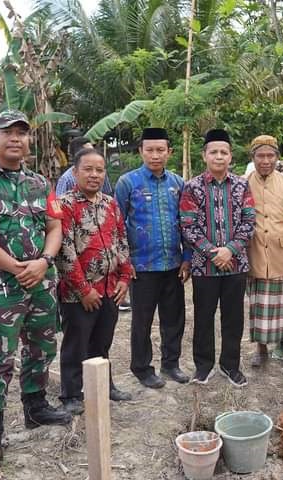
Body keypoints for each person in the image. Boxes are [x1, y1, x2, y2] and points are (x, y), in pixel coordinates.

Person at [0, 110, 71, 469]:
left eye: (22, 133)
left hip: (41, 284)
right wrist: (17, 268)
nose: (15, 138)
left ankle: (36, 408)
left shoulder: (40, 183)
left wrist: (43, 261)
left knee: (41, 349)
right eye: (6, 132)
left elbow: (54, 226)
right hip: (1, 290)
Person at [56, 148, 133, 414]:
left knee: (102, 341)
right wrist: (84, 290)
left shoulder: (110, 203)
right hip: (77, 293)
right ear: (75, 172)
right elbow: (63, 251)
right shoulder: (64, 205)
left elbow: (121, 240)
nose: (94, 175)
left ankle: (104, 385)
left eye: (99, 170)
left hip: (110, 289)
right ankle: (71, 394)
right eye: (88, 169)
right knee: (76, 343)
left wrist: (125, 278)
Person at [114, 127, 191, 389]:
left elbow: (185, 224)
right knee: (142, 322)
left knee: (174, 319)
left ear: (169, 151)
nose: (155, 155)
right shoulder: (127, 183)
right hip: (141, 266)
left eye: (160, 150)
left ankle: (171, 364)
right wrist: (125, 263)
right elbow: (117, 225)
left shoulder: (178, 184)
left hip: (172, 264)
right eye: (150, 150)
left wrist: (187, 257)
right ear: (141, 152)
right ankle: (142, 368)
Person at [180, 129, 255, 387]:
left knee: (233, 318)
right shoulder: (192, 187)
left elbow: (249, 221)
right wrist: (214, 252)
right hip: (204, 267)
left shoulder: (243, 185)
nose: (219, 157)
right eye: (214, 152)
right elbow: (188, 226)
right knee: (203, 316)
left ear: (231, 157)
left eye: (224, 152)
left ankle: (230, 365)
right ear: (205, 156)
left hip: (236, 265)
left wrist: (230, 250)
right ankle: (203, 366)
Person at [245, 135, 283, 376]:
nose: (266, 160)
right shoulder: (243, 183)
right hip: (255, 253)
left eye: (270, 155)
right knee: (256, 304)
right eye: (261, 155)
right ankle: (260, 350)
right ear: (253, 158)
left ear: (277, 158)